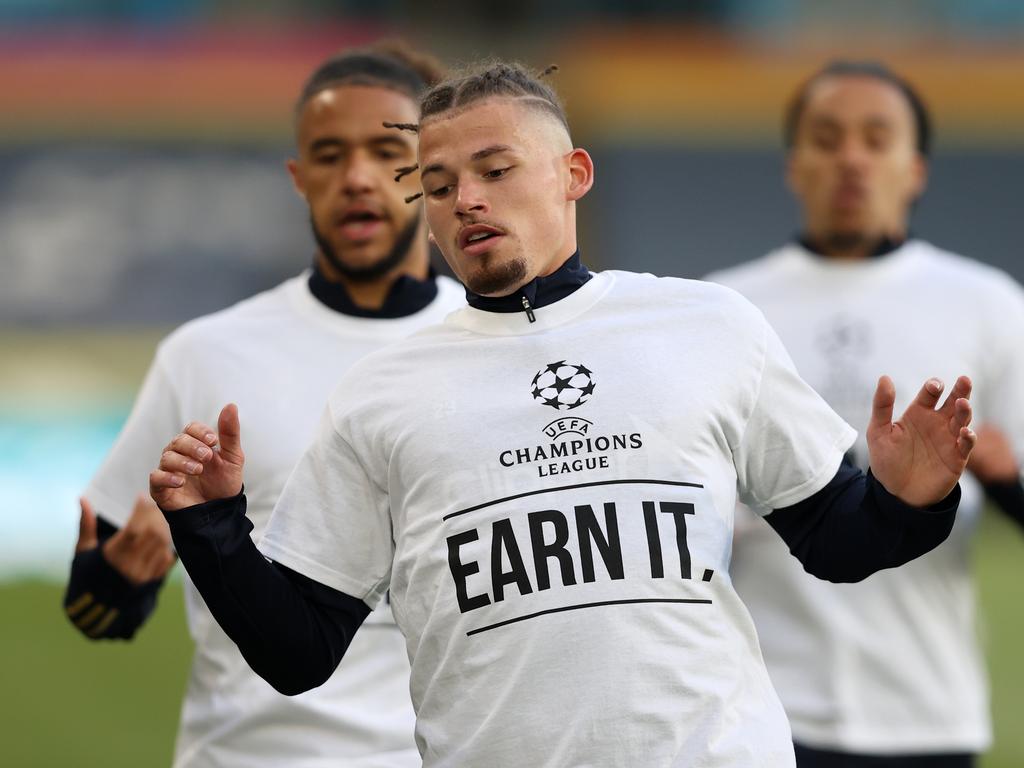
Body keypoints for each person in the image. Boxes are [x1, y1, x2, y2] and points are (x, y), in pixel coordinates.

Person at [150, 62, 978, 768]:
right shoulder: (381, 392)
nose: (464, 199)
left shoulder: (708, 326)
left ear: (573, 174)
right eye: (437, 186)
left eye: (494, 170)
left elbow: (838, 541)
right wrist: (213, 525)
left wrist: (911, 500)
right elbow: (298, 652)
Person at [62, 42, 465, 768]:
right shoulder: (208, 352)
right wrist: (122, 581)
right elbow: (93, 604)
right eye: (330, 154)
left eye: (386, 151)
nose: (357, 177)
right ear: (298, 176)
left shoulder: (490, 344)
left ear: (432, 167)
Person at [706, 61, 1024, 768]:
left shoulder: (988, 304)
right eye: (827, 138)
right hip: (759, 710)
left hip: (924, 710)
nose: (851, 157)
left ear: (915, 170)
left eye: (876, 139)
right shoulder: (721, 310)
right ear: (795, 166)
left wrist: (1000, 476)